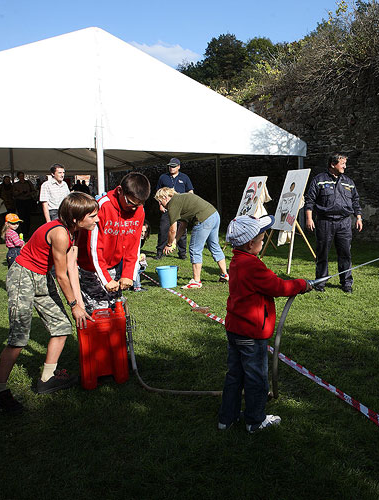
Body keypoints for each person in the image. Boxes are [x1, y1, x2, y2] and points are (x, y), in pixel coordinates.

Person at [0, 193, 97, 413]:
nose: (97, 220)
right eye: (92, 216)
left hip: (41, 276)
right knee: (19, 338)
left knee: (62, 327)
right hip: (23, 276)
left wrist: (80, 303)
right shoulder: (59, 233)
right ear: (76, 218)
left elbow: (72, 267)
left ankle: (47, 378)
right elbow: (62, 274)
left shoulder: (75, 231)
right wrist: (74, 304)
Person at [217, 215, 311, 433]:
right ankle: (255, 421)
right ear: (251, 244)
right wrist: (303, 284)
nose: (263, 241)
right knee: (256, 379)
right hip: (251, 335)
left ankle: (226, 419)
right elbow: (279, 287)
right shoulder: (251, 265)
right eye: (261, 239)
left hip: (235, 331)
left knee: (235, 375)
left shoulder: (238, 260)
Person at [77, 172, 150, 312]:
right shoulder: (102, 207)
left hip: (114, 267)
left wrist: (128, 274)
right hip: (92, 268)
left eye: (139, 204)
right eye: (130, 203)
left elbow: (134, 245)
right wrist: (105, 279)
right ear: (119, 191)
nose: (134, 208)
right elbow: (94, 248)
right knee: (99, 312)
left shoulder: (139, 211)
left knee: (116, 309)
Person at [304, 153, 363, 293]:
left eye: (345, 164)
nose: (345, 166)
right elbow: (309, 200)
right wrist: (309, 218)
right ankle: (320, 283)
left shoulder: (348, 181)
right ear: (332, 164)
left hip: (344, 223)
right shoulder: (319, 180)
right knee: (322, 253)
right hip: (325, 222)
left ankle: (346, 283)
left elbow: (355, 201)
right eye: (342, 164)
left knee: (345, 254)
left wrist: (359, 217)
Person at [153, 187, 228, 289]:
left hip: (203, 218)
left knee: (194, 249)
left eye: (160, 201)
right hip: (214, 215)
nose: (160, 204)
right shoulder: (181, 199)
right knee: (214, 245)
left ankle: (196, 281)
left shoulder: (173, 204)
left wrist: (169, 244)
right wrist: (175, 241)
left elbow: (172, 229)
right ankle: (224, 274)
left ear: (165, 197)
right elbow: (183, 226)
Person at [154, 158, 194, 260]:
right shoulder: (163, 177)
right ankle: (159, 252)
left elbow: (190, 192)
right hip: (168, 208)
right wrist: (160, 205)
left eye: (173, 166)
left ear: (179, 167)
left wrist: (189, 204)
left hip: (181, 208)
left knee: (182, 230)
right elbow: (158, 193)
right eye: (170, 166)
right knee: (163, 229)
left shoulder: (184, 177)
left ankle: (182, 253)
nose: (171, 168)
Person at [12, 171, 36, 236]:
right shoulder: (16, 184)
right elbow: (13, 194)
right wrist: (20, 192)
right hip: (20, 201)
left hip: (28, 201)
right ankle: (23, 231)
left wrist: (28, 193)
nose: (21, 177)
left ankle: (27, 231)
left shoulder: (28, 183)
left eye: (22, 175)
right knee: (21, 216)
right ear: (18, 177)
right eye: (20, 176)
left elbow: (33, 191)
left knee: (28, 217)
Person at [132, 220, 150, 292]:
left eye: (145, 232)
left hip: (133, 257)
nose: (143, 234)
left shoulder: (140, 240)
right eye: (141, 231)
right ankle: (137, 287)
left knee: (142, 267)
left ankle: (132, 283)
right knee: (137, 267)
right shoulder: (133, 238)